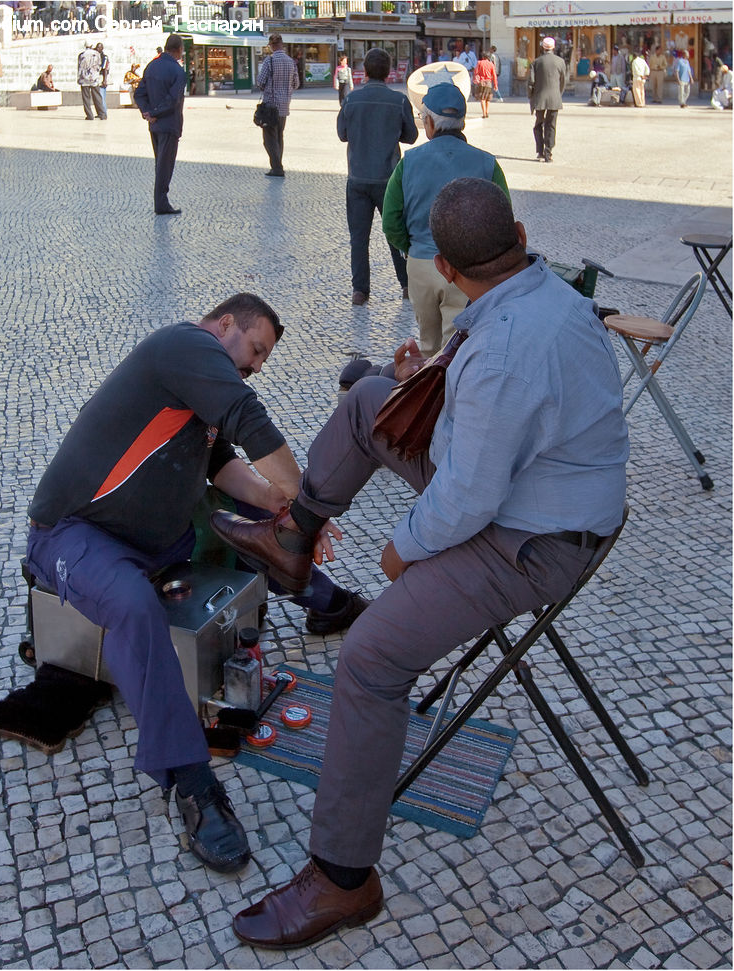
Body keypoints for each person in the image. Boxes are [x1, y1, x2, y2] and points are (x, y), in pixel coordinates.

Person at [209, 178, 629, 949]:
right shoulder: (550, 295)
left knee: (370, 656)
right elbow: (493, 427)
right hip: (526, 492)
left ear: (440, 267)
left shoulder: (501, 350)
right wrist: (422, 378)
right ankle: (294, 545)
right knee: (369, 398)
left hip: (531, 537)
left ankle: (344, 878)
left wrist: (401, 549)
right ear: (521, 234)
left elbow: (468, 499)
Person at [25, 292, 365, 875]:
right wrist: (310, 501)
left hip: (158, 540)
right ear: (225, 323)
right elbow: (248, 420)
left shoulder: (196, 391)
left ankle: (321, 597)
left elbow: (226, 467)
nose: (255, 364)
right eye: (255, 349)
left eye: (262, 361)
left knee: (260, 517)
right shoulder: (184, 344)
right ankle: (191, 782)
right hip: (74, 534)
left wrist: (287, 510)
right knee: (134, 605)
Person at [382, 83, 508, 356]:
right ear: (461, 122)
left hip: (422, 265)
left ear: (428, 122)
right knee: (459, 350)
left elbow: (390, 221)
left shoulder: (409, 162)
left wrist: (412, 247)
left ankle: (429, 394)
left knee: (428, 347)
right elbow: (503, 218)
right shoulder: (487, 163)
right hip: (468, 270)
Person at [337, 48, 417, 308]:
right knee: (396, 234)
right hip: (389, 180)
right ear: (389, 72)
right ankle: (406, 285)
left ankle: (360, 291)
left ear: (366, 71)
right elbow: (411, 136)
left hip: (358, 178)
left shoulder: (350, 99)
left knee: (358, 238)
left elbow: (342, 134)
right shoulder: (399, 100)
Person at [134, 33, 186, 215]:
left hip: (154, 125)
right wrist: (154, 113)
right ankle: (161, 203)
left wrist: (147, 112)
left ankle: (161, 201)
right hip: (169, 123)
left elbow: (139, 94)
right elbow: (173, 100)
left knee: (160, 162)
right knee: (166, 164)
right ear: (179, 50)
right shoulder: (178, 72)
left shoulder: (151, 67)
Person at [256, 34, 299, 178]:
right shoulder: (291, 62)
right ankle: (277, 165)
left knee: (269, 138)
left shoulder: (270, 61)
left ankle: (277, 168)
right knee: (279, 136)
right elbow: (296, 83)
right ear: (282, 44)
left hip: (270, 106)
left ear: (272, 46)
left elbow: (260, 82)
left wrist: (268, 88)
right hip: (284, 106)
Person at [528, 36, 567, 163]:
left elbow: (531, 82)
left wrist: (531, 96)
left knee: (538, 124)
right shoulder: (560, 61)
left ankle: (540, 151)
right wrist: (558, 93)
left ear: (543, 47)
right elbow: (563, 81)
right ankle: (548, 152)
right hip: (555, 98)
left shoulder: (536, 62)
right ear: (553, 47)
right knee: (551, 125)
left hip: (540, 98)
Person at [77, 42, 106, 120]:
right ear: (92, 45)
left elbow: (79, 67)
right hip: (94, 78)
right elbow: (99, 65)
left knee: (86, 98)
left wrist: (79, 78)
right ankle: (102, 114)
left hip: (84, 79)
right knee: (97, 97)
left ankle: (89, 115)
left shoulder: (81, 55)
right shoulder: (97, 54)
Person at [472, 52, 497, 117]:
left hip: (481, 83)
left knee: (482, 98)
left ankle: (484, 113)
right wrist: (495, 85)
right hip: (489, 83)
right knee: (487, 99)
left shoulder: (479, 63)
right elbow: (494, 75)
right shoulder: (491, 64)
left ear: (483, 57)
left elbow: (476, 72)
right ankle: (487, 112)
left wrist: (475, 80)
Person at [95, 41, 109, 113]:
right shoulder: (96, 56)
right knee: (98, 96)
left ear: (102, 48)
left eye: (98, 47)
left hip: (102, 77)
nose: (97, 49)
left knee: (102, 95)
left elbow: (105, 69)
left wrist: (104, 80)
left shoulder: (104, 57)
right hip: (97, 77)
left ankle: (104, 112)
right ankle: (100, 112)